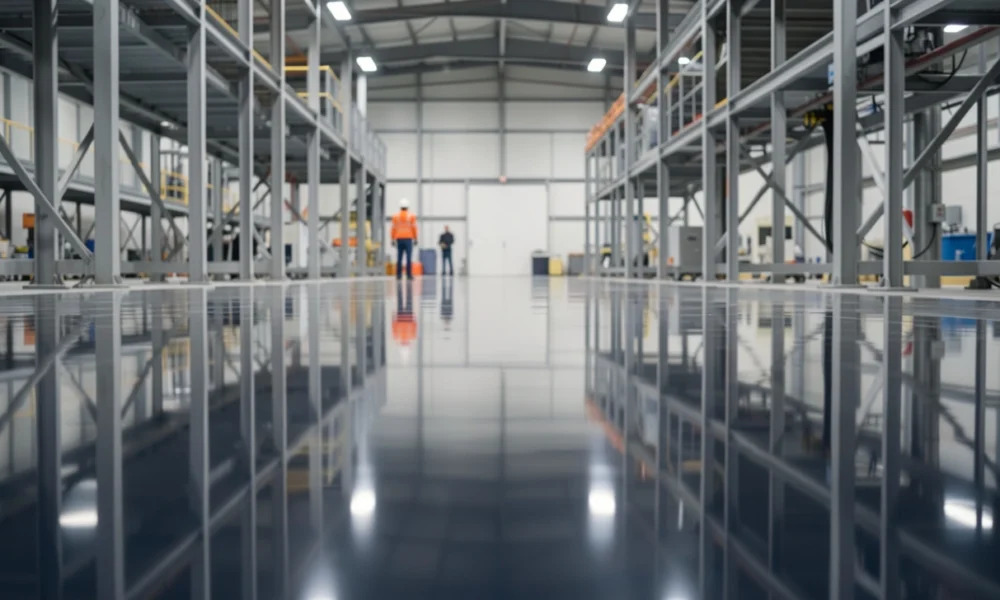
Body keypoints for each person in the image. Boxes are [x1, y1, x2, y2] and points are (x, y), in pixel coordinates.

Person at [391, 198, 418, 280]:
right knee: (409, 257)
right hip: (408, 239)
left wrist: (392, 238)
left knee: (399, 257)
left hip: (399, 239)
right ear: (408, 207)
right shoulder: (411, 216)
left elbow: (393, 228)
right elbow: (414, 228)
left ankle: (398, 275)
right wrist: (415, 238)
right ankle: (409, 275)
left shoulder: (395, 216)